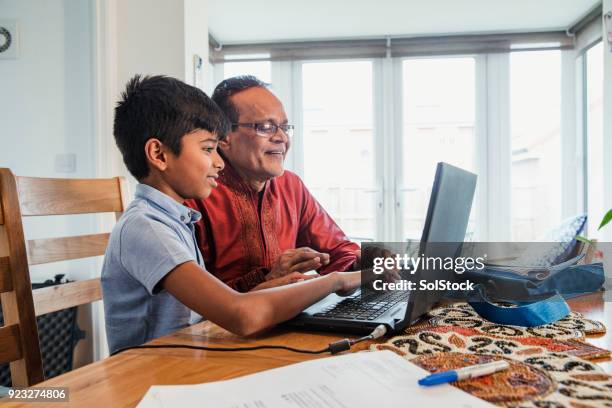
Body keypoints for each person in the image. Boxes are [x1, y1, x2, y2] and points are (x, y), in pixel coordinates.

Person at [101, 75, 360, 353]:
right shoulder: (148, 227)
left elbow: (213, 312)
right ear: (159, 154)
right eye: (208, 149)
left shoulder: (175, 219)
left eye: (284, 127)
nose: (217, 162)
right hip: (154, 374)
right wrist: (334, 281)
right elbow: (240, 314)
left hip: (198, 353)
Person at [186, 76, 360, 292]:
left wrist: (370, 261)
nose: (282, 138)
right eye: (266, 127)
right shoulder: (195, 195)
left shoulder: (290, 186)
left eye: (284, 127)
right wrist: (268, 278)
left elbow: (340, 251)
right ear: (224, 137)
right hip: (224, 325)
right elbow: (195, 302)